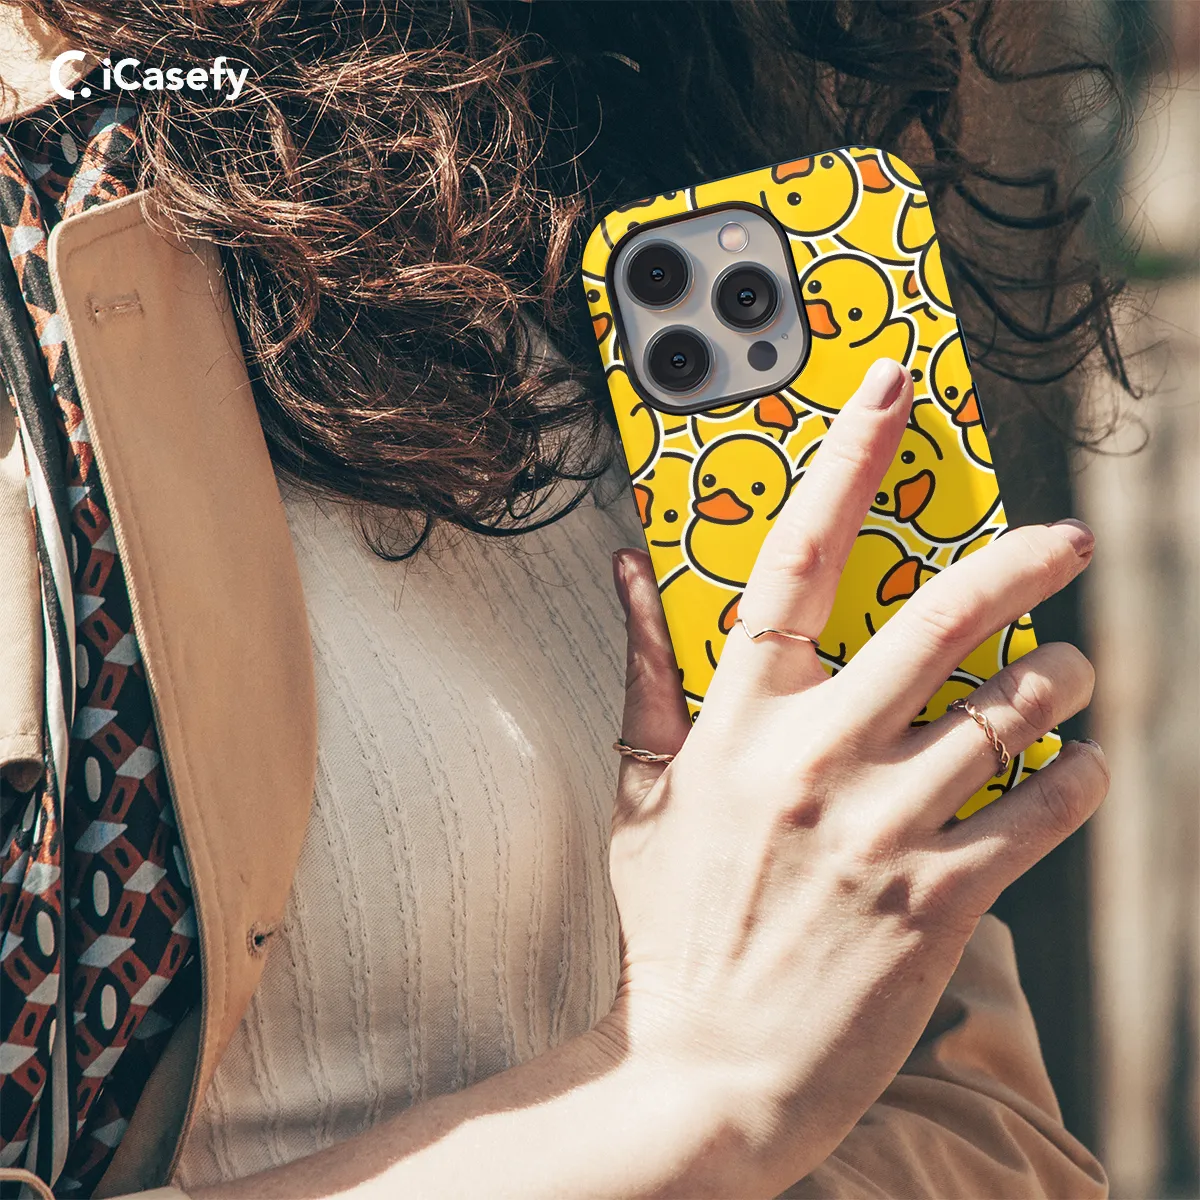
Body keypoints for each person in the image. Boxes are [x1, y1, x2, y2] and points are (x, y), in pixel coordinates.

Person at [0, 2, 1125, 1196]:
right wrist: (686, 1089)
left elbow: (990, 1138)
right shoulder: (47, 257)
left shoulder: (612, 167)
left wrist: (738, 1091)